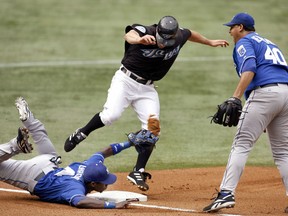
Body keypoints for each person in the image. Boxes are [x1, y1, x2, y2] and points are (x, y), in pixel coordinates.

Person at [64, 15, 229, 191]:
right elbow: (129, 35)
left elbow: (190, 34)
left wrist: (210, 42)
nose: (164, 43)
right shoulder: (146, 32)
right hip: (125, 81)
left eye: (168, 40)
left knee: (153, 128)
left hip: (147, 89)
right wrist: (140, 39)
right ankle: (81, 133)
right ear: (157, 30)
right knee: (111, 115)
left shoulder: (179, 36)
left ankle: (138, 170)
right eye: (161, 39)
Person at [203, 12, 288, 213]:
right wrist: (270, 113)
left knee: (241, 144)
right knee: (284, 152)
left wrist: (235, 97)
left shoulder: (244, 42)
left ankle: (226, 194)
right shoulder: (268, 43)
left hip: (265, 93)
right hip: (285, 94)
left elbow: (250, 67)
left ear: (240, 27)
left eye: (231, 27)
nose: (230, 31)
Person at [0, 97, 136, 209]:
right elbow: (81, 202)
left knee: (40, 133)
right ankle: (16, 146)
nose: (107, 184)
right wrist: (113, 205)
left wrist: (130, 143)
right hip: (31, 175)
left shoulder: (88, 165)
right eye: (104, 182)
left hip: (48, 160)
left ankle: (29, 121)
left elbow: (104, 152)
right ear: (93, 184)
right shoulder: (74, 188)